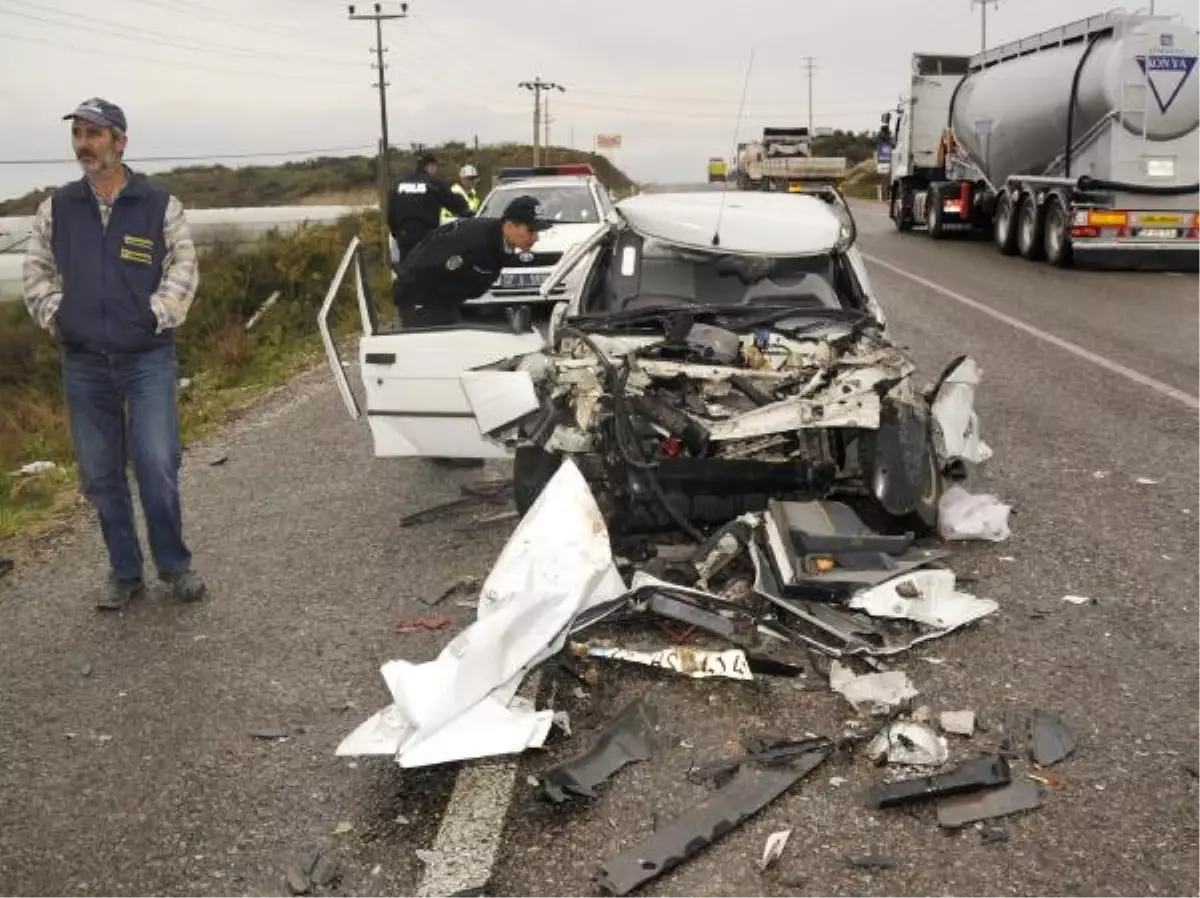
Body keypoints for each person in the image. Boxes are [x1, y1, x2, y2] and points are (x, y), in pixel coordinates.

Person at [22, 97, 207, 611]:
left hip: (146, 357)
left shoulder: (159, 205)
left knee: (155, 462)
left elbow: (183, 268)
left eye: (94, 134)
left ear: (120, 142)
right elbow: (36, 273)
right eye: (78, 133)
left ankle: (174, 566)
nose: (83, 143)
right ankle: (125, 573)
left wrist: (154, 314)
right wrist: (58, 317)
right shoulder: (55, 208)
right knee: (101, 475)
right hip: (83, 361)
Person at [391, 194, 551, 328]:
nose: (535, 238)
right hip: (421, 298)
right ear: (509, 226)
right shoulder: (475, 243)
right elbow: (428, 267)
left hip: (445, 302)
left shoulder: (500, 243)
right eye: (530, 230)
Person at [387, 152, 473, 267]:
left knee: (407, 270)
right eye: (435, 167)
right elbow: (456, 203)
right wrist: (467, 213)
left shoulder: (399, 183)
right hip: (426, 236)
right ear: (430, 166)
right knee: (427, 270)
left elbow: (391, 211)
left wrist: (395, 232)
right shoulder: (434, 183)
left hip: (404, 236)